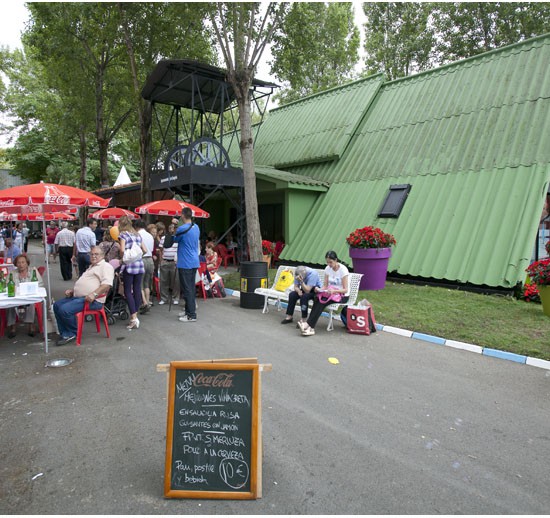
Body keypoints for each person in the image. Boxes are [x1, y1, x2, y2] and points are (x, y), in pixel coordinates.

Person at [53, 246, 114, 346]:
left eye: (96, 254)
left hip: (93, 301)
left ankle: (71, 333)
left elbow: (107, 285)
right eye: (92, 254)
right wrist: (73, 291)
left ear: (103, 256)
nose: (93, 256)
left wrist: (94, 294)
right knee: (57, 305)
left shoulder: (105, 266)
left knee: (65, 310)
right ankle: (64, 332)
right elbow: (86, 284)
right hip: (80, 298)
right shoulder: (92, 266)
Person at [298, 251, 349, 337]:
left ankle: (309, 326)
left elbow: (345, 290)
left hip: (341, 295)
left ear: (336, 260)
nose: (329, 264)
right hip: (330, 293)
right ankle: (310, 327)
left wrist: (334, 291)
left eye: (330, 262)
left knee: (322, 301)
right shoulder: (327, 269)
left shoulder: (343, 270)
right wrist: (319, 289)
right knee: (317, 298)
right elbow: (325, 286)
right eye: (327, 262)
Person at [5, 254, 44, 338]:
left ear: (27, 263)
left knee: (31, 303)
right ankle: (12, 327)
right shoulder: (12, 273)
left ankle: (31, 325)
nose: (21, 265)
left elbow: (40, 284)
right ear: (16, 264)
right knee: (9, 304)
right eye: (18, 263)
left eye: (23, 262)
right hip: (16, 297)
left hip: (29, 296)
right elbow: (7, 285)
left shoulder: (33, 271)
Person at [118, 215, 146, 330]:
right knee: (137, 289)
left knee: (128, 291)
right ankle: (135, 315)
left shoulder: (123, 235)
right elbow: (145, 250)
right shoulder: (138, 235)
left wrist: (123, 258)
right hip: (139, 265)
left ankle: (134, 318)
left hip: (129, 266)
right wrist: (136, 257)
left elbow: (122, 250)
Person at [173, 207, 200, 323]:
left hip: (185, 262)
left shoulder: (181, 228)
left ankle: (191, 315)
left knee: (187, 289)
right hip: (194, 261)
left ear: (183, 215)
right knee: (191, 288)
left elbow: (175, 239)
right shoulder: (196, 227)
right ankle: (188, 310)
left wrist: (174, 225)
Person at [134, 219, 155, 313]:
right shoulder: (150, 235)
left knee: (140, 283)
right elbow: (151, 249)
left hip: (141, 259)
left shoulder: (137, 235)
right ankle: (147, 301)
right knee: (147, 283)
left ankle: (144, 302)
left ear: (136, 227)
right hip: (150, 259)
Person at [158, 222, 179, 305]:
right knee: (164, 281)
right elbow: (160, 249)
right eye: (170, 228)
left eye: (173, 228)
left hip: (174, 262)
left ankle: (175, 298)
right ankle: (164, 298)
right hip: (165, 261)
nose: (172, 230)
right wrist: (161, 260)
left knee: (175, 281)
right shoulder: (164, 238)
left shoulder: (178, 238)